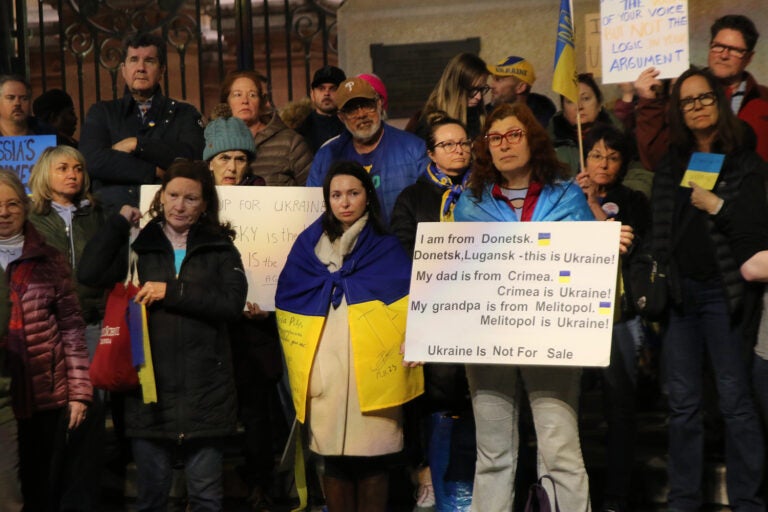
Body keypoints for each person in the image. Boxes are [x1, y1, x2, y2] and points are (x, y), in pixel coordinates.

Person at [453, 102, 620, 512]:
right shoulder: (469, 204)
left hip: (552, 337)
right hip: (488, 341)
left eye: (514, 135)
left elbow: (585, 268)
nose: (504, 144)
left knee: (560, 450)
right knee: (492, 455)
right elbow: (454, 278)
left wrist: (607, 243)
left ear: (532, 139)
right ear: (485, 148)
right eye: (495, 138)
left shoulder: (566, 196)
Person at [77, 160, 248, 510]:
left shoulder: (220, 246)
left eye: (190, 198)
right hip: (148, 393)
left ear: (205, 203)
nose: (180, 205)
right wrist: (118, 224)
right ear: (160, 196)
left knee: (206, 499)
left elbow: (231, 304)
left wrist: (171, 292)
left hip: (207, 393)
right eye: (172, 195)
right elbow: (89, 272)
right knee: (151, 500)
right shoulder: (139, 243)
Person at [646, 66, 768, 512]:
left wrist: (719, 205)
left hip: (725, 296)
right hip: (680, 297)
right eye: (687, 101)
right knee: (683, 407)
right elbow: (661, 231)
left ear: (719, 101)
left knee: (736, 403)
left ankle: (748, 503)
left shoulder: (746, 162)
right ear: (678, 111)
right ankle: (683, 502)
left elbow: (754, 232)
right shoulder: (671, 163)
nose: (696, 107)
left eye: (704, 98)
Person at [275, 161, 423, 512]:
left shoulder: (385, 247)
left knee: (373, 460)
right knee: (333, 461)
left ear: (367, 197)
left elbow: (406, 301)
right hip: (324, 366)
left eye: (353, 193)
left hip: (371, 368)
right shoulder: (308, 245)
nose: (344, 202)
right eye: (336, 195)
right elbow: (288, 294)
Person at [203, 106, 287, 510]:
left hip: (257, 326)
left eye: (239, 158)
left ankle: (260, 483)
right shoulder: (197, 205)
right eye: (224, 158)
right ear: (210, 162)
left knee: (257, 411)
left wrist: (267, 306)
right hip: (211, 327)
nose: (232, 166)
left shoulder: (269, 203)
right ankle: (209, 488)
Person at [391, 112, 475, 510]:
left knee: (477, 393)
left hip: (482, 310)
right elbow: (403, 253)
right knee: (439, 392)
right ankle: (435, 478)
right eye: (448, 144)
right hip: (434, 310)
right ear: (431, 153)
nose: (458, 150)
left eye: (463, 143)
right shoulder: (414, 197)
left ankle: (471, 482)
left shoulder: (485, 190)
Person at [0, 169, 92, 512]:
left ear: (25, 207)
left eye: (12, 204)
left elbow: (71, 328)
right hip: (1, 396)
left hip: (43, 394)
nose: (4, 212)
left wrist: (79, 393)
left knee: (42, 488)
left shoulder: (49, 259)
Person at [575, 124, 650, 512]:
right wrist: (578, 198)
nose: (604, 163)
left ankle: (617, 497)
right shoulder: (566, 195)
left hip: (618, 319)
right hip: (574, 316)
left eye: (613, 156)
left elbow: (620, 246)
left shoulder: (633, 200)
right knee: (570, 409)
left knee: (619, 409)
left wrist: (591, 204)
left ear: (623, 164)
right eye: (597, 155)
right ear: (584, 158)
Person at [27, 145, 106, 509]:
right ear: (45, 173)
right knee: (54, 419)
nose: (73, 174)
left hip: (90, 325)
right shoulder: (30, 218)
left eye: (78, 167)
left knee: (88, 418)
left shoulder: (96, 214)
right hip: (46, 331)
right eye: (63, 168)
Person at [79, 33, 204, 217]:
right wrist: (153, 170)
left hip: (167, 218)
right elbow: (92, 160)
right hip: (110, 218)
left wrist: (136, 144)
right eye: (134, 60)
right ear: (123, 69)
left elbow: (191, 158)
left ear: (162, 70)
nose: (141, 68)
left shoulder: (184, 113)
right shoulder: (102, 112)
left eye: (149, 61)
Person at [634, 14, 768, 168]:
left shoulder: (763, 99)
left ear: (749, 58)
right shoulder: (685, 95)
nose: (724, 55)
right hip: (697, 184)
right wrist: (649, 102)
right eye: (718, 46)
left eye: (735, 50)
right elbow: (655, 159)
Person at [306, 77, 429, 226]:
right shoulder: (326, 157)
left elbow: (429, 210)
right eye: (352, 110)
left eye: (366, 105)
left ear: (379, 104)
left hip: (400, 245)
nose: (361, 114)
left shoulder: (414, 149)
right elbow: (315, 214)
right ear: (341, 117)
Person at [221, 70, 313, 186]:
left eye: (252, 95)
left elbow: (312, 192)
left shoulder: (291, 143)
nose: (245, 101)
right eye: (238, 95)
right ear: (226, 102)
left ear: (261, 102)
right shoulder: (216, 144)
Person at [549, 73, 622, 175]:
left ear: (599, 104)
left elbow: (637, 172)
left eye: (586, 98)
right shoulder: (550, 143)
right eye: (570, 101)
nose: (579, 106)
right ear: (563, 111)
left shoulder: (619, 134)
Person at [406, 53, 488, 141]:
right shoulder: (430, 123)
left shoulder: (482, 116)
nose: (478, 97)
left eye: (482, 89)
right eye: (472, 90)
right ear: (455, 88)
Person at [485, 56, 556, 128]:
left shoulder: (543, 114)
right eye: (493, 79)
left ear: (521, 87)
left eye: (498, 80)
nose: (491, 85)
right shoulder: (485, 114)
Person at [295, 65, 347, 153]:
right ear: (312, 94)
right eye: (321, 88)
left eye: (333, 88)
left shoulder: (354, 126)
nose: (326, 93)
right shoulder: (299, 131)